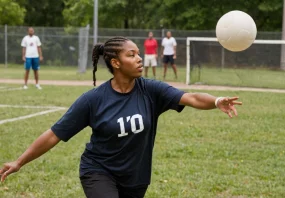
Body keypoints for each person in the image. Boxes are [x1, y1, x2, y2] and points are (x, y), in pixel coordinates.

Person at [0, 36, 242, 198]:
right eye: (131, 54)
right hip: (98, 171)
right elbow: (55, 134)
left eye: (138, 54)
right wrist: (19, 161)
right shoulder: (93, 100)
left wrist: (216, 101)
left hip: (136, 177)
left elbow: (190, 97)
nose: (139, 58)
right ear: (116, 63)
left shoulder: (150, 90)